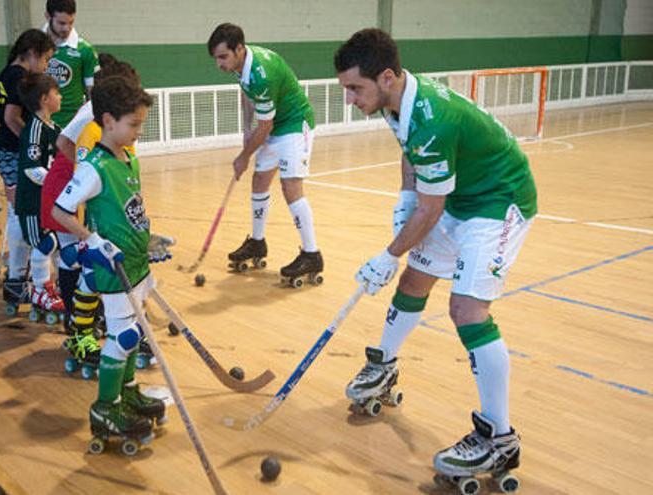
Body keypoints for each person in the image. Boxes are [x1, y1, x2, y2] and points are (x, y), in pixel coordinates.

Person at [334, 28, 534, 486]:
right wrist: (404, 199)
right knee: (413, 282)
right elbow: (412, 159)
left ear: (386, 77)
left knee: (466, 309)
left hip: (498, 202)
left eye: (354, 88)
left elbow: (432, 208)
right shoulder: (395, 100)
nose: (349, 99)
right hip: (460, 197)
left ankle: (498, 438)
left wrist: (388, 253)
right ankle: (383, 366)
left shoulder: (432, 118)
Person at [51, 76, 165, 450]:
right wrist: (93, 242)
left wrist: (148, 238)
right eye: (133, 124)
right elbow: (60, 210)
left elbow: (131, 209)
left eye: (140, 124)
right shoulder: (92, 167)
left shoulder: (128, 157)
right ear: (108, 120)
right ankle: (106, 407)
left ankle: (128, 393)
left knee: (135, 332)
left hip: (136, 263)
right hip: (112, 269)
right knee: (123, 338)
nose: (137, 131)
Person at [207, 23, 322, 287]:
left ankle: (312, 254)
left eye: (223, 57)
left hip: (293, 124)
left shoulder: (262, 74)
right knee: (259, 181)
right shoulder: (241, 65)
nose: (219, 64)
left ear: (239, 49)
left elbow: (266, 125)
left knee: (290, 185)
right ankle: (257, 243)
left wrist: (243, 155)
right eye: (216, 58)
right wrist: (247, 131)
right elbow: (247, 97)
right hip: (272, 124)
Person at [0, 29, 55, 308]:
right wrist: (33, 147)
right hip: (12, 151)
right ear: (32, 52)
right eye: (45, 60)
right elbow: (11, 118)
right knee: (22, 212)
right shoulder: (18, 77)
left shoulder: (6, 73)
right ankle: (18, 280)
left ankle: (19, 277)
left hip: (6, 150)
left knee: (20, 211)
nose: (45, 66)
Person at [15, 73, 67, 322]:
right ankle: (38, 290)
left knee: (56, 243)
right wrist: (56, 184)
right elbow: (32, 168)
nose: (61, 97)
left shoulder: (54, 128)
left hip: (49, 201)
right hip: (32, 201)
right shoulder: (33, 129)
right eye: (57, 93)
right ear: (45, 99)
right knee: (43, 244)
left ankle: (53, 285)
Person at [42, 0, 99, 128]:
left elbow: (92, 93)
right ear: (47, 16)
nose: (66, 28)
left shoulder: (85, 50)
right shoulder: (32, 45)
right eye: (61, 23)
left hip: (72, 128)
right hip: (40, 126)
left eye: (71, 22)